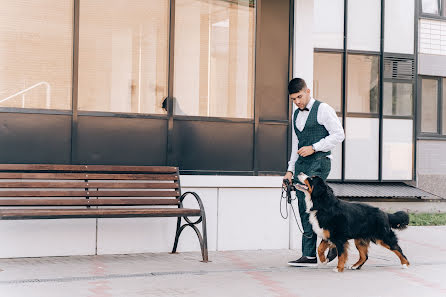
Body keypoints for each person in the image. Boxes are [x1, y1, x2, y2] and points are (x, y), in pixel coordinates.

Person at [284, 78, 345, 267]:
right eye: (293, 99)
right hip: (302, 164)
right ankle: (317, 249)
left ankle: (317, 250)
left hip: (319, 162)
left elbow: (339, 134)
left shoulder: (323, 109)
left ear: (308, 91)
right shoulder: (296, 114)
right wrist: (289, 170)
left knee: (307, 204)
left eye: (299, 97)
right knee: (309, 207)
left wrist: (315, 147)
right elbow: (296, 144)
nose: (297, 102)